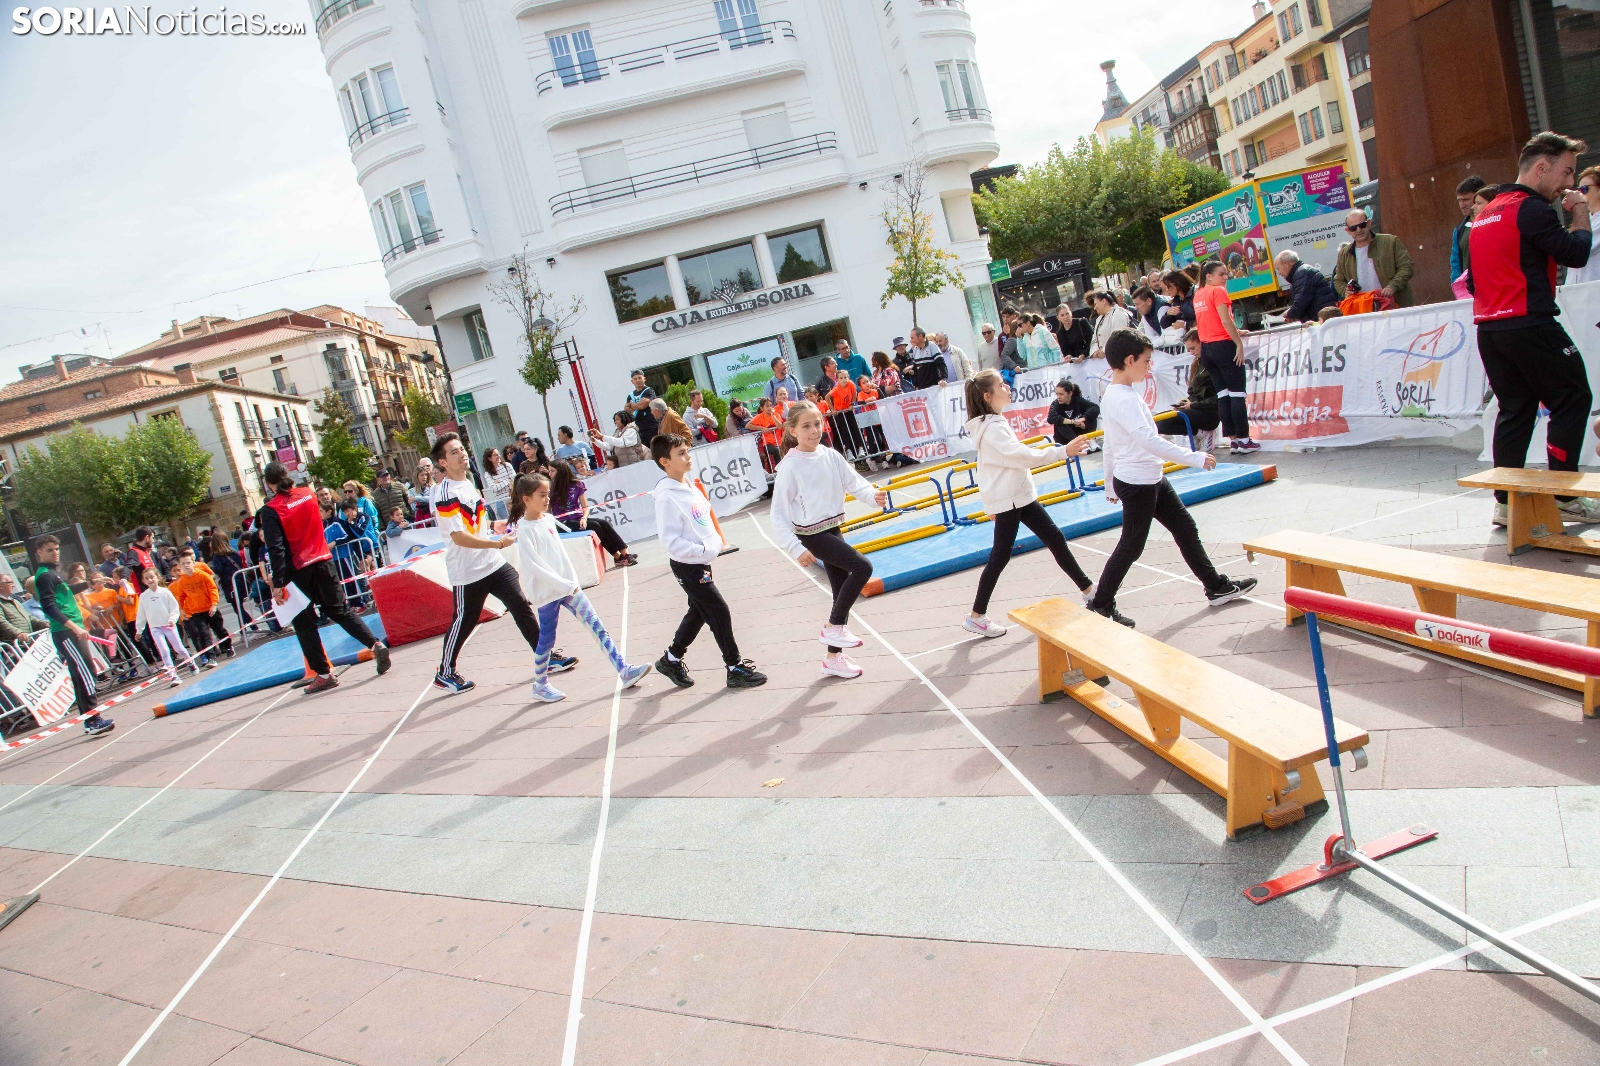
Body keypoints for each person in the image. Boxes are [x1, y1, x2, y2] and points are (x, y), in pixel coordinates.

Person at [1470, 131, 1599, 526]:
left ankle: (1506, 505)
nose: (1569, 183)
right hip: (1529, 323)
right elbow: (1576, 253)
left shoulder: (1485, 214)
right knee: (1573, 397)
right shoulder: (1531, 208)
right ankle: (1564, 496)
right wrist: (1580, 211)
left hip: (1490, 330)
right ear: (1541, 168)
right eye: (1566, 172)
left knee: (1515, 409)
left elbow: (1472, 282)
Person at [1087, 330, 1257, 627]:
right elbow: (1148, 440)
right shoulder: (1122, 398)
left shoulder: (1118, 393)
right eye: (1146, 360)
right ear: (1130, 360)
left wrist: (1110, 482)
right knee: (1131, 545)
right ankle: (1101, 604)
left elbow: (1113, 443)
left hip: (1148, 477)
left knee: (1184, 528)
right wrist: (1194, 457)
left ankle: (1215, 586)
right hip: (1139, 482)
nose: (1149, 366)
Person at [959, 369, 1096, 638]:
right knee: (1001, 556)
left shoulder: (992, 424)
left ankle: (1089, 590)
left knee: (1054, 539)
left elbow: (989, 467)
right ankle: (976, 616)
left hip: (1016, 496)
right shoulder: (992, 428)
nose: (1007, 387)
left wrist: (991, 504)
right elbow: (1022, 456)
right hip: (1011, 499)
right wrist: (1063, 451)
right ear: (988, 396)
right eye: (1001, 385)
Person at [510, 472, 652, 703]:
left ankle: (623, 669)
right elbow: (535, 566)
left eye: (547, 494)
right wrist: (565, 584)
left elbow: (559, 555)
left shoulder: (548, 520)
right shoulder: (525, 530)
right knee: (547, 639)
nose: (547, 499)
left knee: (597, 626)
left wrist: (571, 582)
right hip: (548, 593)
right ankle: (540, 684)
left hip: (569, 588)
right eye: (542, 495)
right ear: (526, 499)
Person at [769, 402, 888, 679]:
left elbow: (855, 483)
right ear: (792, 431)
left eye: (817, 424)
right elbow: (778, 515)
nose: (814, 431)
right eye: (806, 426)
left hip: (832, 528)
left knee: (839, 592)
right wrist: (795, 548)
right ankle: (833, 626)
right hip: (811, 535)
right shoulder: (790, 467)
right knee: (863, 567)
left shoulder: (830, 456)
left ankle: (833, 659)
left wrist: (873, 496)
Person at [259, 460, 391, 694]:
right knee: (340, 610)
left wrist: (277, 583)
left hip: (297, 569)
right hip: (323, 560)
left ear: (269, 484)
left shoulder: (271, 509)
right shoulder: (308, 495)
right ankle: (375, 644)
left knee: (304, 623)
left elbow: (276, 548)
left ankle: (323, 674)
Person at [428, 433, 543, 693]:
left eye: (462, 449)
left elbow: (473, 522)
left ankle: (544, 655)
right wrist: (497, 543)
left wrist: (493, 525)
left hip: (492, 564)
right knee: (464, 621)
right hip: (467, 571)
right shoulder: (444, 494)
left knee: (520, 603)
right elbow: (458, 537)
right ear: (443, 463)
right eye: (454, 452)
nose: (462, 454)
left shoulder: (468, 483)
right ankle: (445, 672)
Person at [649, 433, 767, 689]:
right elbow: (670, 541)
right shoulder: (667, 497)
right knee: (718, 610)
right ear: (664, 461)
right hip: (687, 565)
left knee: (699, 611)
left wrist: (710, 546)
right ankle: (734, 667)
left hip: (700, 562)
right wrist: (702, 549)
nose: (688, 456)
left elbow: (702, 518)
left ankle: (671, 659)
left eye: (687, 451)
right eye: (680, 453)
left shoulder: (687, 485)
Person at [32, 535, 113, 736]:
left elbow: (67, 591)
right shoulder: (44, 576)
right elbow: (48, 607)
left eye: (56, 549)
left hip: (72, 629)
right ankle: (93, 719)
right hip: (66, 632)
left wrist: (91, 582)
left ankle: (90, 720)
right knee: (86, 672)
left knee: (82, 674)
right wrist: (74, 627)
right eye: (50, 550)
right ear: (39, 553)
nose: (55, 553)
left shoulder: (53, 573)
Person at [1194, 259, 1260, 454]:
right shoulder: (1218, 291)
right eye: (1221, 274)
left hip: (1207, 349)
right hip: (1223, 346)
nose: (1226, 277)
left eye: (1226, 274)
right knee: (1237, 394)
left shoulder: (1199, 294)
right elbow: (1225, 320)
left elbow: (1212, 320)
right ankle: (1244, 440)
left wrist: (1236, 332)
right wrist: (1238, 342)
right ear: (1209, 276)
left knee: (1223, 395)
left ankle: (1234, 440)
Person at [549, 459, 637, 568]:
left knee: (604, 523)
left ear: (561, 471)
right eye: (549, 471)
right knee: (595, 525)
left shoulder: (577, 484)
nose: (550, 474)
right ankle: (617, 557)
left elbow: (585, 507)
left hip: (577, 519)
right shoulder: (550, 488)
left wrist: (584, 518)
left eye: (552, 471)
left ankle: (625, 554)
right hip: (563, 523)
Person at [1333, 208, 1416, 306]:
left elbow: (1407, 267)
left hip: (1396, 305)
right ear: (1348, 230)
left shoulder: (1391, 242)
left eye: (1362, 225)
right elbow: (1338, 280)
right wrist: (1345, 291)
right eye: (1353, 228)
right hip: (1364, 308)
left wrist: (1393, 286)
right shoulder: (1344, 254)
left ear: (1369, 223)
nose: (1359, 230)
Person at [135, 566, 196, 687]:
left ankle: (190, 662)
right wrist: (139, 630)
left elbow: (174, 608)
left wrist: (172, 619)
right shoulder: (143, 596)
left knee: (179, 649)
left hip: (168, 625)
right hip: (155, 628)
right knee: (164, 650)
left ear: (158, 577)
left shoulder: (165, 592)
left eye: (152, 577)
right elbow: (141, 614)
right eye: (147, 578)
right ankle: (173, 675)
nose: (150, 580)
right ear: (143, 581)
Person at [1160, 329, 1221, 453]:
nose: (1191, 353)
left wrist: (1192, 405)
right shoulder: (1196, 364)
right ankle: (1199, 433)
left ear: (1202, 343)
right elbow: (1193, 393)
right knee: (1160, 422)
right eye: (1189, 350)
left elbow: (1218, 399)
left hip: (1210, 413)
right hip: (1199, 409)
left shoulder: (1214, 365)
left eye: (1193, 348)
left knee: (1164, 421)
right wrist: (1186, 403)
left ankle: (1203, 433)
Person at [170, 552, 230, 665]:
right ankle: (211, 657)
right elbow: (180, 596)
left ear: (193, 563)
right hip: (196, 611)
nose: (186, 565)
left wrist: (214, 604)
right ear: (180, 566)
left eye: (188, 563)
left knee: (219, 629)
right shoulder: (182, 581)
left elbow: (213, 589)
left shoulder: (202, 575)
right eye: (183, 564)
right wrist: (182, 610)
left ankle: (228, 647)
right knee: (203, 634)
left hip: (210, 608)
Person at [1561, 165, 1600, 286]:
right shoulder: (1589, 220)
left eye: (1584, 189)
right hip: (1580, 291)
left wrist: (1577, 208)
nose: (1580, 194)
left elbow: (1576, 248)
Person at [1275, 250, 1339, 323]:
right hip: (1321, 317)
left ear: (1285, 264)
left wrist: (1289, 314)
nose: (1279, 273)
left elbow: (1301, 302)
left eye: (1278, 269)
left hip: (1322, 318)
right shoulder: (1301, 273)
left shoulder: (1302, 273)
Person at [208, 531, 250, 631]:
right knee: (239, 608)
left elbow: (218, 570)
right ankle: (244, 630)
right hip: (240, 582)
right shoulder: (234, 552)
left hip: (229, 585)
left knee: (238, 609)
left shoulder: (217, 556)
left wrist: (209, 568)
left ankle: (252, 627)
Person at [1451, 176, 1488, 286]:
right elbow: (1456, 263)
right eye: (1459, 200)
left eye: (1466, 199)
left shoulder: (1495, 220)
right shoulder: (1459, 230)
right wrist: (1458, 286)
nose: (1462, 205)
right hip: (1471, 288)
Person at [1047, 379, 1099, 446]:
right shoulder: (1056, 404)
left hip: (1080, 432)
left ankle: (1092, 441)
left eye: (1061, 394)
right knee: (1059, 422)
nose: (1058, 397)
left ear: (1070, 393)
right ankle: (1079, 444)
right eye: (1057, 394)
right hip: (1066, 439)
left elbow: (1095, 408)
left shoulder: (1078, 400)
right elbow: (1050, 418)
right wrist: (1073, 422)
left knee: (1091, 416)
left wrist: (1082, 419)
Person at [0, 572, 47, 643]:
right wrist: (18, 633)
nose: (13, 585)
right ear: (1, 586)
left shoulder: (15, 601)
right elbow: (1, 622)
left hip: (27, 642)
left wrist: (45, 624)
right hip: (15, 646)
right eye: (10, 583)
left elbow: (29, 617)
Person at [1089, 291, 1133, 359]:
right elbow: (1094, 339)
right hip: (1105, 360)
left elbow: (1118, 337)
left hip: (1120, 358)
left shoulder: (1118, 313)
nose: (1094, 308)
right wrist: (1095, 352)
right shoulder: (1099, 319)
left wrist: (1104, 351)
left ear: (1104, 301)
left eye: (1095, 304)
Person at [747, 396, 785, 472]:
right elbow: (748, 425)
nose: (770, 408)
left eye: (771, 405)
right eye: (767, 406)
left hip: (779, 441)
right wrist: (761, 428)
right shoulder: (759, 417)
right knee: (776, 450)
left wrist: (773, 416)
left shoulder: (776, 414)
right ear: (762, 408)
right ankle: (780, 470)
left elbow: (780, 427)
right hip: (768, 443)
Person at [481, 447, 515, 521]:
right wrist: (507, 481)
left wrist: (499, 483)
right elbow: (493, 489)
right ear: (489, 458)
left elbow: (514, 480)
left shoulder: (507, 466)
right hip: (501, 503)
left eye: (498, 454)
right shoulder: (488, 473)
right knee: (508, 524)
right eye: (495, 455)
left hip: (513, 498)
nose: (499, 456)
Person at [624, 370, 658, 436]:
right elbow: (627, 410)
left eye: (639, 378)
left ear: (644, 379)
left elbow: (642, 406)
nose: (638, 380)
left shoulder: (649, 391)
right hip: (639, 428)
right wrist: (638, 404)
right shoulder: (630, 395)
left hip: (652, 426)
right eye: (635, 379)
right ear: (632, 381)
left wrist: (631, 405)